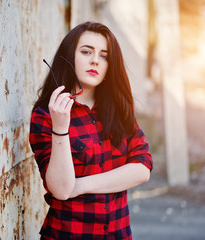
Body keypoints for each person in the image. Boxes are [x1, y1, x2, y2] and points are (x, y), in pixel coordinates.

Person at [29, 21, 153, 239]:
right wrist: (60, 128)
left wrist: (80, 186)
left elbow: (142, 168)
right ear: (69, 56)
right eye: (86, 51)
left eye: (104, 56)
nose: (95, 60)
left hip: (118, 234)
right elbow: (60, 189)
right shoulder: (46, 115)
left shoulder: (118, 108)